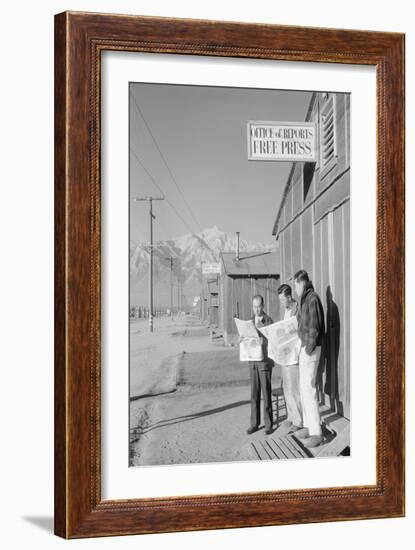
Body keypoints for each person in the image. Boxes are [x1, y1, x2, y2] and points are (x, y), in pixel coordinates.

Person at [293, 270, 325, 448]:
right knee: (303, 389)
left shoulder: (312, 298)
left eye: (296, 285)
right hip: (305, 348)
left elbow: (315, 327)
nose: (295, 289)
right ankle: (307, 425)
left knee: (309, 388)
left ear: (302, 283)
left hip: (310, 350)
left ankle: (316, 433)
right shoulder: (305, 299)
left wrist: (308, 348)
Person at [244, 294, 274, 435]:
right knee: (254, 394)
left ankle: (268, 425)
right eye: (254, 307)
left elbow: (274, 340)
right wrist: (242, 339)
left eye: (258, 306)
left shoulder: (269, 321)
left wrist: (265, 341)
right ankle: (254, 424)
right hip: (252, 362)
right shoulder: (249, 321)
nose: (256, 309)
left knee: (266, 394)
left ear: (263, 306)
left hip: (264, 363)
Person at [277, 284, 303, 435]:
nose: (281, 303)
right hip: (285, 355)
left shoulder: (297, 309)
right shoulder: (286, 311)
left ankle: (298, 420)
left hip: (294, 354)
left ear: (289, 297)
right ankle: (291, 417)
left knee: (294, 389)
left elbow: (298, 331)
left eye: (282, 300)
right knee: (286, 387)